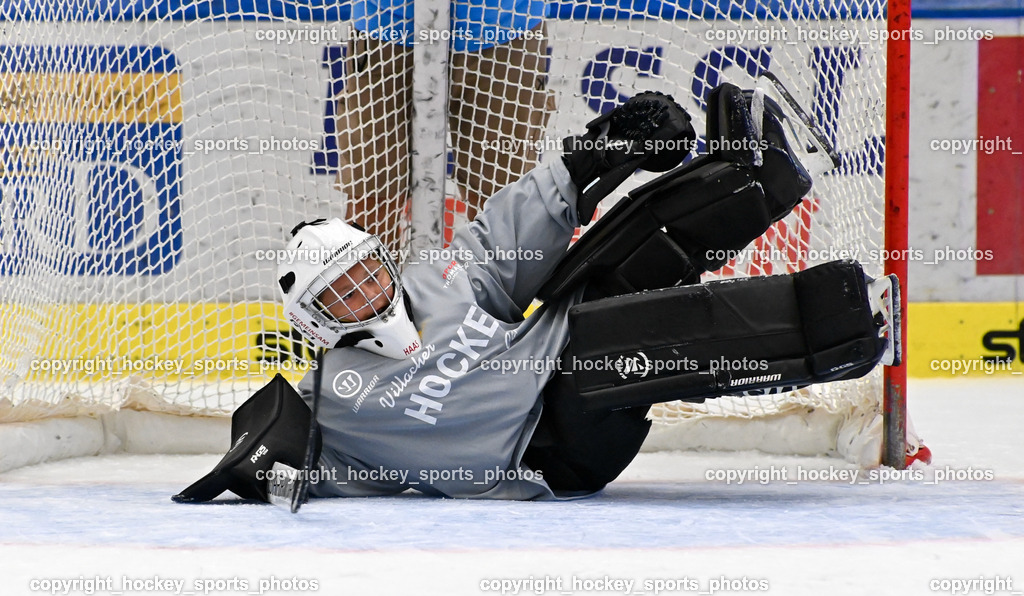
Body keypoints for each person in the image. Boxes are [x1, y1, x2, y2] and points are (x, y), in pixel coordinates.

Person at [173, 86, 899, 505]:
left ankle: (758, 173)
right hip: (553, 450)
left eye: (366, 267)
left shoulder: (432, 283)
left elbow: (503, 236)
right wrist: (251, 474)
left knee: (632, 241)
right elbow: (288, 472)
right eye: (343, 291)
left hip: (561, 345)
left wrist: (602, 149)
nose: (367, 289)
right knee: (623, 340)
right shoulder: (333, 404)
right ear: (317, 320)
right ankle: (847, 327)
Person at [337, 0, 554, 248]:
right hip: (388, 25)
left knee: (502, 210)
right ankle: (383, 287)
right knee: (371, 204)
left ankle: (487, 287)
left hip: (505, 24)